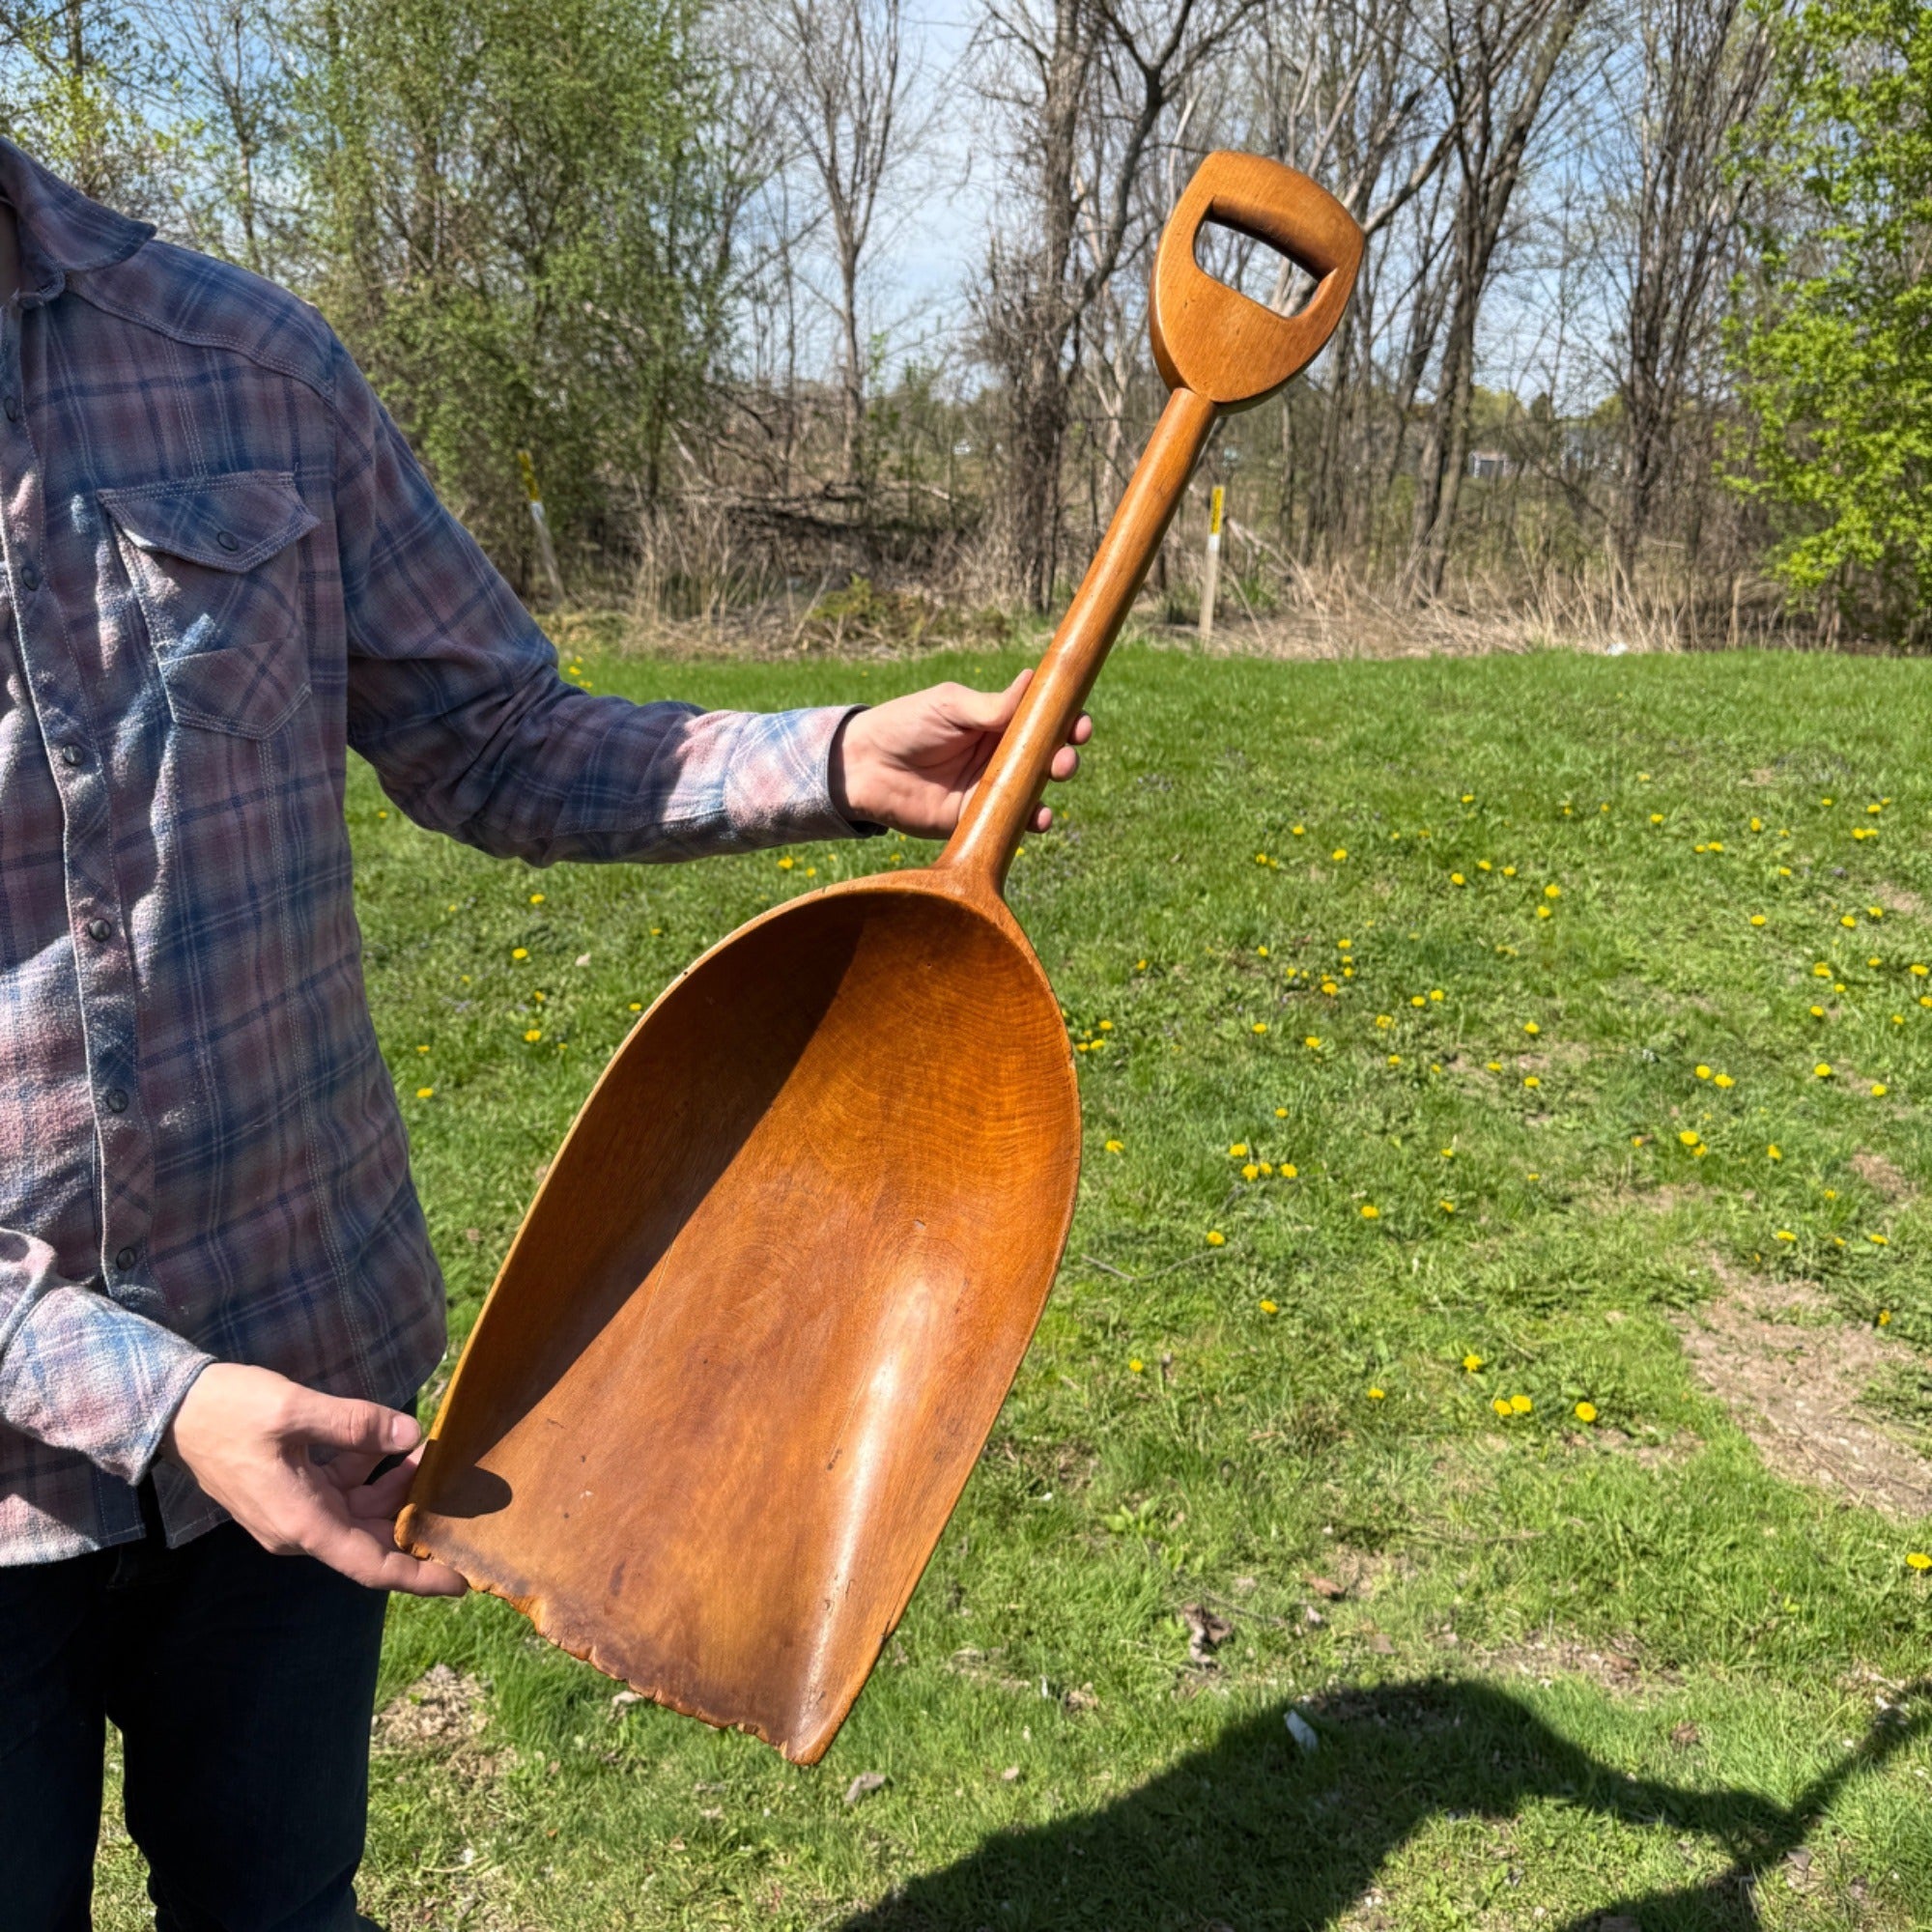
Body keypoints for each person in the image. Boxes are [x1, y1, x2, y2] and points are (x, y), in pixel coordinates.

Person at [0, 138, 1090, 1929]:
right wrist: (165, 1404)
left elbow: (492, 735)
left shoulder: (243, 363)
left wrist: (824, 758)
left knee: (279, 1909)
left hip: (305, 1368)